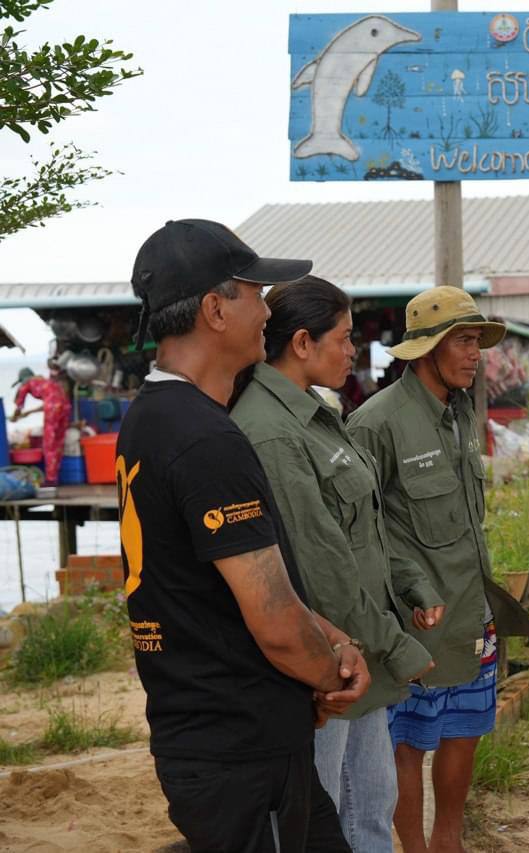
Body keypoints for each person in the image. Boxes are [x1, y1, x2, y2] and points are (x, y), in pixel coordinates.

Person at [118, 219, 369, 852]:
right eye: (255, 292)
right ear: (214, 309)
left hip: (220, 734)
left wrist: (330, 640)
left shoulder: (153, 416)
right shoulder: (206, 439)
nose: (267, 310)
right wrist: (329, 674)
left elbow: (231, 584)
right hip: (240, 751)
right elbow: (275, 621)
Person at [230, 277, 442, 853]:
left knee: (371, 810)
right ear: (302, 342)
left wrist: (409, 589)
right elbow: (321, 568)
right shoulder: (273, 432)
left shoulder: (316, 417)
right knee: (324, 819)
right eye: (346, 339)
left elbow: (365, 532)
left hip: (359, 655)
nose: (354, 352)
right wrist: (398, 648)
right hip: (323, 666)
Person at [348, 286, 529, 853]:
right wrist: (409, 587)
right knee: (407, 742)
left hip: (471, 611)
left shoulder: (459, 414)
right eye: (462, 340)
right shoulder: (375, 423)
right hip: (414, 622)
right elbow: (365, 528)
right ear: (427, 348)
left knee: (466, 732)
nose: (474, 353)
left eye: (477, 340)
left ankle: (446, 843)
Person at [11, 365, 70, 483]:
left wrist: (15, 416)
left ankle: (50, 479)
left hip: (53, 409)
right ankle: (56, 478)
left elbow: (19, 403)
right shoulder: (45, 382)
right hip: (65, 407)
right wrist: (29, 412)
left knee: (49, 446)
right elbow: (54, 402)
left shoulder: (27, 383)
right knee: (58, 444)